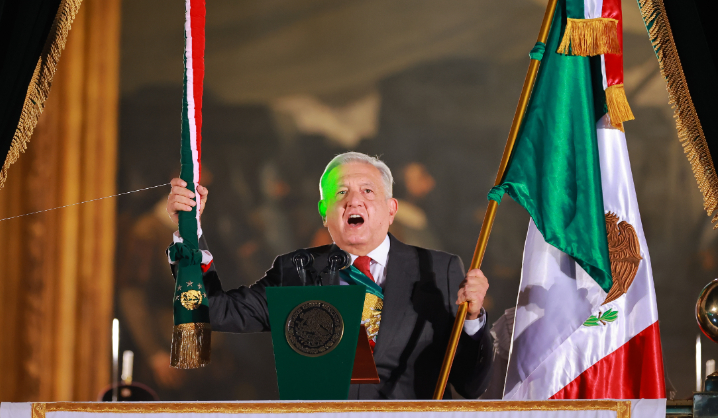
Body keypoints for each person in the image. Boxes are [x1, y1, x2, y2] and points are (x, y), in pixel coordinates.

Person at [167, 152, 493, 399]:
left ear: (391, 209)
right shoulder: (295, 271)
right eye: (341, 193)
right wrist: (189, 231)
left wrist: (473, 318)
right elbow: (212, 309)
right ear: (325, 214)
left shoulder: (439, 270)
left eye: (367, 191)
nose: (354, 200)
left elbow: (470, 385)